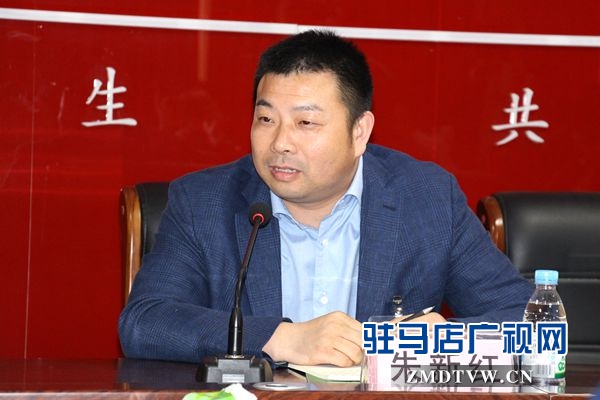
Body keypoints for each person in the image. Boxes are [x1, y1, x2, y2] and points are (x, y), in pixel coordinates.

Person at [119, 30, 533, 367]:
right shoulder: (203, 202)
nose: (280, 143)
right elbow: (145, 322)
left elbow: (529, 322)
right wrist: (283, 338)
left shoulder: (427, 198)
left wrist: (443, 340)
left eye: (305, 122)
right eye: (266, 119)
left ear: (359, 132)